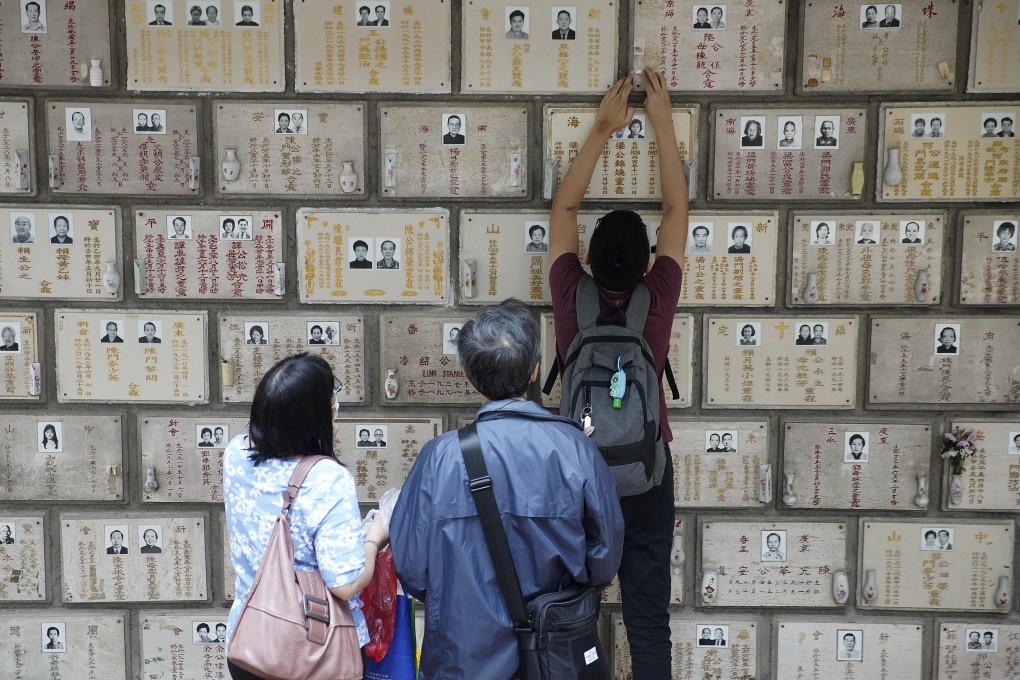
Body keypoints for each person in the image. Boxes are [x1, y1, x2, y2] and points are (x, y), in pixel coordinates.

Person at [390, 300, 624, 679]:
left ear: (470, 377)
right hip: (555, 660)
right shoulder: (574, 449)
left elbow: (413, 571)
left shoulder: (440, 458)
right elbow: (605, 559)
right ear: (534, 370)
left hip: (461, 662)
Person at [547, 68, 687, 680]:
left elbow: (565, 205)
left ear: (589, 256)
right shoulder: (656, 297)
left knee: (573, 613)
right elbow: (678, 206)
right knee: (648, 620)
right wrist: (661, 121)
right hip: (647, 478)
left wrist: (603, 128)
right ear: (646, 263)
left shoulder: (567, 291)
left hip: (576, 480)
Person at [223, 354, 387, 678]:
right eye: (332, 402)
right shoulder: (326, 478)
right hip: (312, 653)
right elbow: (346, 582)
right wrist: (374, 537)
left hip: (249, 642)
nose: (336, 408)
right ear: (313, 418)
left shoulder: (235, 454)